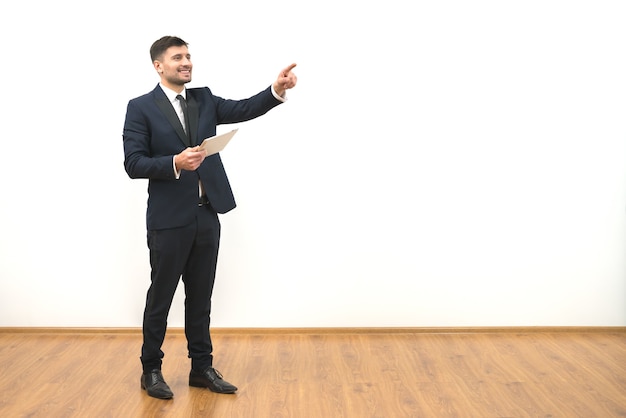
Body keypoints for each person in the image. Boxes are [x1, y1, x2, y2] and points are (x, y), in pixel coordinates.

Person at [122, 35, 297, 399]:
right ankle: (150, 369)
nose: (186, 62)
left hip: (207, 215)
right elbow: (133, 162)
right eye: (177, 57)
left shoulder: (203, 98)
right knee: (162, 296)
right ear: (159, 65)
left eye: (188, 56)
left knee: (200, 297)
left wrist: (275, 90)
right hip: (169, 220)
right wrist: (174, 162)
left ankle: (201, 368)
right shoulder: (140, 107)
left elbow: (244, 108)